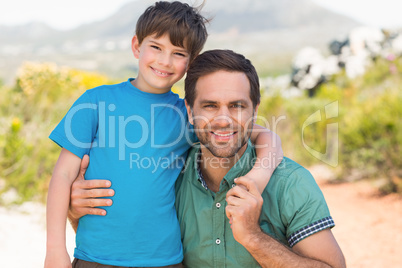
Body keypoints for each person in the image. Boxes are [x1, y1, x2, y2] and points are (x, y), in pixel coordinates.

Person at [45, 2, 282, 268]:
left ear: (190, 63)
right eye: (156, 47)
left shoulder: (189, 115)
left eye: (178, 53)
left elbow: (266, 137)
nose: (164, 61)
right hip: (94, 258)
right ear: (137, 46)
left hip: (164, 260)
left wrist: (260, 175)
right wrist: (55, 249)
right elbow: (63, 175)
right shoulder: (95, 102)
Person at [69, 50, 346, 267]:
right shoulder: (167, 175)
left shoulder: (290, 184)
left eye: (237, 106)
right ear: (189, 110)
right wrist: (77, 211)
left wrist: (253, 238)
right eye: (210, 106)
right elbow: (122, 245)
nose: (223, 120)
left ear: (255, 109)